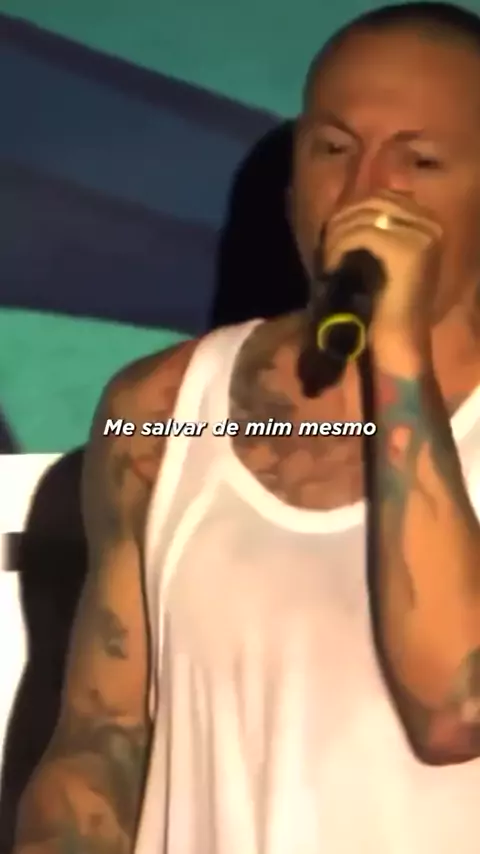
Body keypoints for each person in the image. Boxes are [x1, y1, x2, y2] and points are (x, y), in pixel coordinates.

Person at [12, 2, 480, 852]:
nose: (366, 193)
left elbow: (455, 706)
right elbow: (103, 740)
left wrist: (396, 350)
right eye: (333, 149)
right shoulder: (163, 413)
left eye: (419, 160)